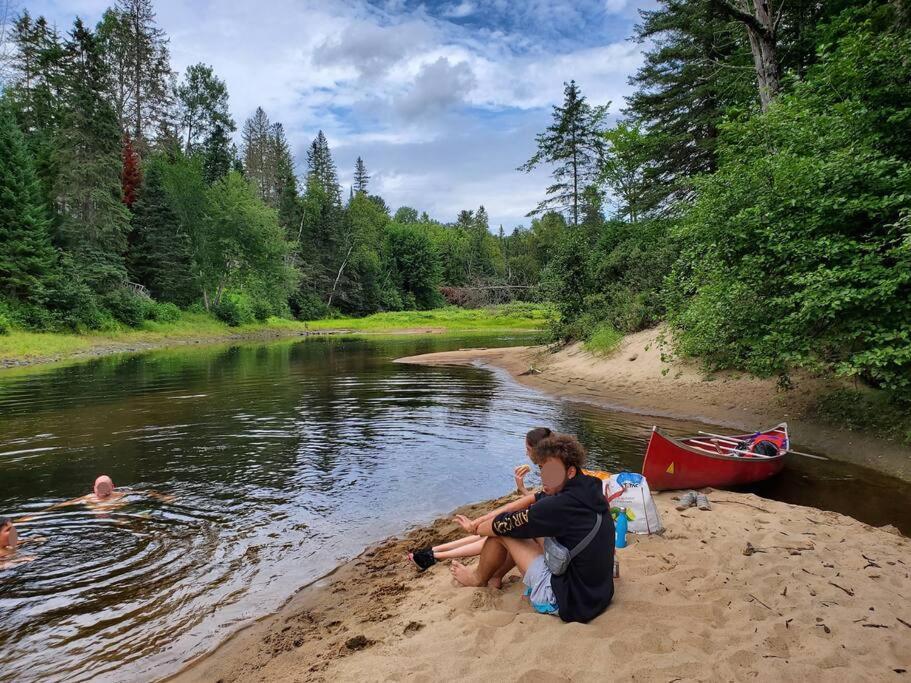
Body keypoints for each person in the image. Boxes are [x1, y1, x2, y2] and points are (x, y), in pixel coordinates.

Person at [450, 433, 615, 623]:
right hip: (599, 593)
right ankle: (495, 576)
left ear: (569, 472)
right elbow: (532, 500)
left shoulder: (557, 507)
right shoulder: (589, 487)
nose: (545, 476)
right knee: (523, 529)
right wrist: (479, 520)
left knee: (503, 533)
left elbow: (500, 525)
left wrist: (475, 528)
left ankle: (477, 578)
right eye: (542, 469)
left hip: (569, 602)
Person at [409, 427, 555, 574]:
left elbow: (538, 506)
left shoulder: (553, 476)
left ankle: (436, 556)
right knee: (501, 526)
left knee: (500, 531)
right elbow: (539, 502)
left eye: (527, 449)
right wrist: (522, 489)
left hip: (551, 542)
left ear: (537, 450)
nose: (526, 453)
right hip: (548, 533)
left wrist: (474, 526)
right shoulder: (556, 469)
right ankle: (434, 551)